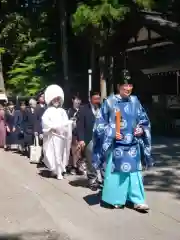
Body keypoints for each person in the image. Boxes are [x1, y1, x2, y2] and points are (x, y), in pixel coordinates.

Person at [93, 70, 153, 211]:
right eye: (125, 85)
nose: (128, 88)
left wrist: (142, 129)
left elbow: (144, 120)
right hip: (117, 145)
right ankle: (116, 198)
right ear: (119, 86)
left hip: (133, 144)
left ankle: (137, 200)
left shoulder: (135, 101)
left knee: (135, 173)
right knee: (117, 173)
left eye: (130, 85)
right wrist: (113, 131)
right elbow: (99, 125)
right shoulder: (110, 102)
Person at [42, 84, 72, 180]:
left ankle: (59, 171)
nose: (56, 101)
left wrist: (68, 125)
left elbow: (66, 122)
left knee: (60, 153)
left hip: (61, 136)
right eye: (54, 99)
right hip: (52, 135)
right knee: (52, 153)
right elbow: (45, 122)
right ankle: (55, 170)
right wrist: (51, 128)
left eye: (58, 99)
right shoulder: (48, 111)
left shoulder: (62, 111)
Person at [76, 90, 101, 188]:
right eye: (95, 99)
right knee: (91, 159)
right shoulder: (83, 109)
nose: (97, 101)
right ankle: (92, 179)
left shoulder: (102, 108)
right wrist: (81, 139)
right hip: (89, 138)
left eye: (98, 98)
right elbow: (80, 125)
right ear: (90, 99)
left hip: (101, 138)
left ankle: (102, 179)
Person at [67, 95, 82, 175]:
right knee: (74, 150)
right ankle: (73, 166)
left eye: (79, 100)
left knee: (79, 151)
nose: (78, 102)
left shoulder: (82, 110)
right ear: (73, 100)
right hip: (73, 133)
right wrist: (71, 120)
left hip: (81, 133)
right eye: (76, 100)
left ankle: (77, 166)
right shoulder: (70, 111)